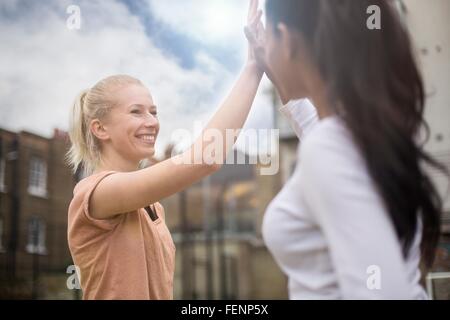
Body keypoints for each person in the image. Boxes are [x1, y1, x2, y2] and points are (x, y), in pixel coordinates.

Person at [245, 0, 448, 299]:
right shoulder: (379, 129)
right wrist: (273, 68)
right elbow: (324, 133)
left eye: (272, 38)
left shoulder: (330, 147)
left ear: (286, 40)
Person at [66, 0, 264, 300]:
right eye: (136, 112)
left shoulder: (153, 207)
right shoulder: (94, 194)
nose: (151, 122)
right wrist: (253, 68)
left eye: (153, 112)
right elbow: (204, 160)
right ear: (100, 128)